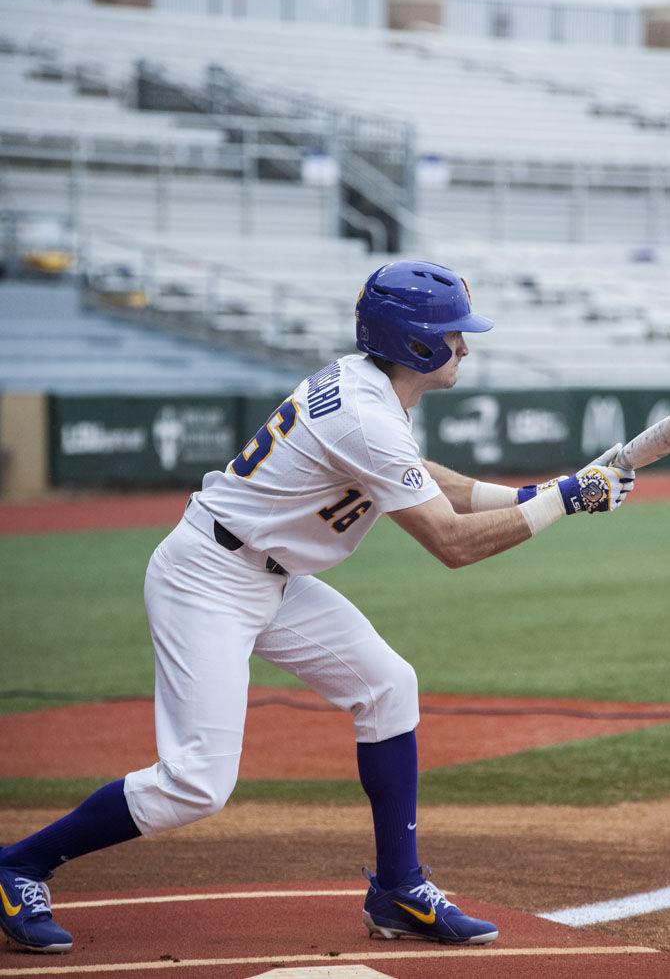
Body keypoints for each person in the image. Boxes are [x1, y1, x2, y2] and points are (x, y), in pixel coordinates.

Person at [0, 261, 635, 954]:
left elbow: (425, 480)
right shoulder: (366, 416)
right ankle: (19, 864)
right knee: (196, 785)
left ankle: (398, 888)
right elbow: (452, 546)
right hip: (208, 578)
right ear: (417, 344)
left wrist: (535, 493)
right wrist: (564, 500)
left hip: (269, 575)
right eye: (455, 334)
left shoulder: (368, 387)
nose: (466, 347)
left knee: (388, 686)